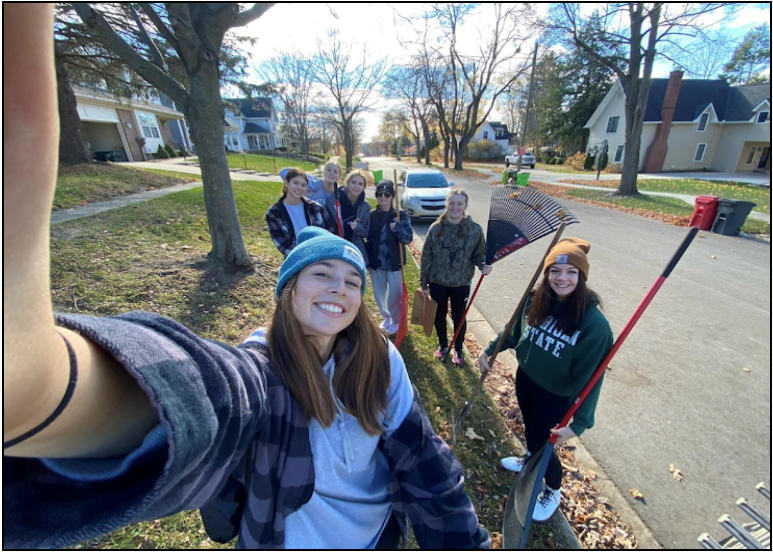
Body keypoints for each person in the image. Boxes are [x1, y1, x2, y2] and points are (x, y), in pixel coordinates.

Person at [3, 7, 490, 548]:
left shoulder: (382, 360)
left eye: (351, 282)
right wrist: (45, 388)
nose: (341, 289)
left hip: (379, 537)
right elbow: (209, 396)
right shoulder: (265, 367)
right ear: (289, 292)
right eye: (322, 275)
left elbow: (426, 462)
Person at [478, 238, 613, 523]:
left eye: (571, 273)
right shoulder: (536, 299)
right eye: (555, 270)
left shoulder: (594, 325)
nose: (562, 278)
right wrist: (491, 350)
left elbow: (590, 378)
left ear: (582, 276)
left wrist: (579, 423)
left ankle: (553, 489)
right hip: (526, 379)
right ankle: (529, 461)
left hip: (556, 395)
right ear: (547, 272)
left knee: (544, 444)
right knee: (532, 432)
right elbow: (514, 332)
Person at [420, 189, 492, 367]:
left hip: (461, 283)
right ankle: (443, 344)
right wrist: (424, 283)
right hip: (438, 281)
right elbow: (426, 256)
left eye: (460, 203)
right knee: (439, 315)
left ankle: (458, 348)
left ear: (465, 206)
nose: (455, 207)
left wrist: (483, 265)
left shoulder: (474, 230)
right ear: (447, 203)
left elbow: (479, 254)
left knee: (459, 316)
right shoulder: (436, 228)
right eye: (452, 203)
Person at [366, 181, 413, 335]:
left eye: (387, 194)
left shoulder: (400, 215)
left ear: (392, 197)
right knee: (379, 295)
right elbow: (367, 235)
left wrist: (397, 228)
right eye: (380, 194)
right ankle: (386, 318)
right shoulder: (372, 215)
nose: (383, 197)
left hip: (394, 263)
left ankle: (396, 321)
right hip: (376, 263)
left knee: (394, 296)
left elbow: (408, 239)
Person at [266, 167, 336, 256]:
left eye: (303, 185)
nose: (299, 188)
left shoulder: (317, 208)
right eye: (296, 183)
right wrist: (304, 255)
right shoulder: (274, 213)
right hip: (294, 258)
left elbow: (329, 234)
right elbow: (282, 244)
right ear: (286, 183)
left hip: (319, 256)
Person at [325, 169, 371, 262]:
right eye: (353, 182)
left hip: (355, 251)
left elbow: (367, 232)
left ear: (364, 187)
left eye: (360, 184)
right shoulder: (333, 201)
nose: (357, 187)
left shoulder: (365, 206)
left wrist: (357, 227)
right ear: (347, 182)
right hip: (336, 249)